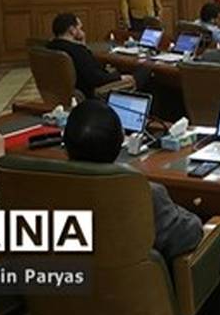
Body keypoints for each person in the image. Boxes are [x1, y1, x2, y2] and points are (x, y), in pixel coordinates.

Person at [63, 99, 204, 260]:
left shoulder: (46, 187)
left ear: (65, 145)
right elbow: (189, 236)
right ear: (120, 142)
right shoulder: (145, 194)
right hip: (135, 276)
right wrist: (179, 211)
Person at [47, 13, 134, 98]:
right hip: (90, 91)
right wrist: (119, 77)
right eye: (80, 28)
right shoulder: (78, 51)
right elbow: (96, 78)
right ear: (72, 30)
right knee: (135, 78)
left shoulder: (49, 47)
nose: (82, 32)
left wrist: (82, 45)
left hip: (61, 92)